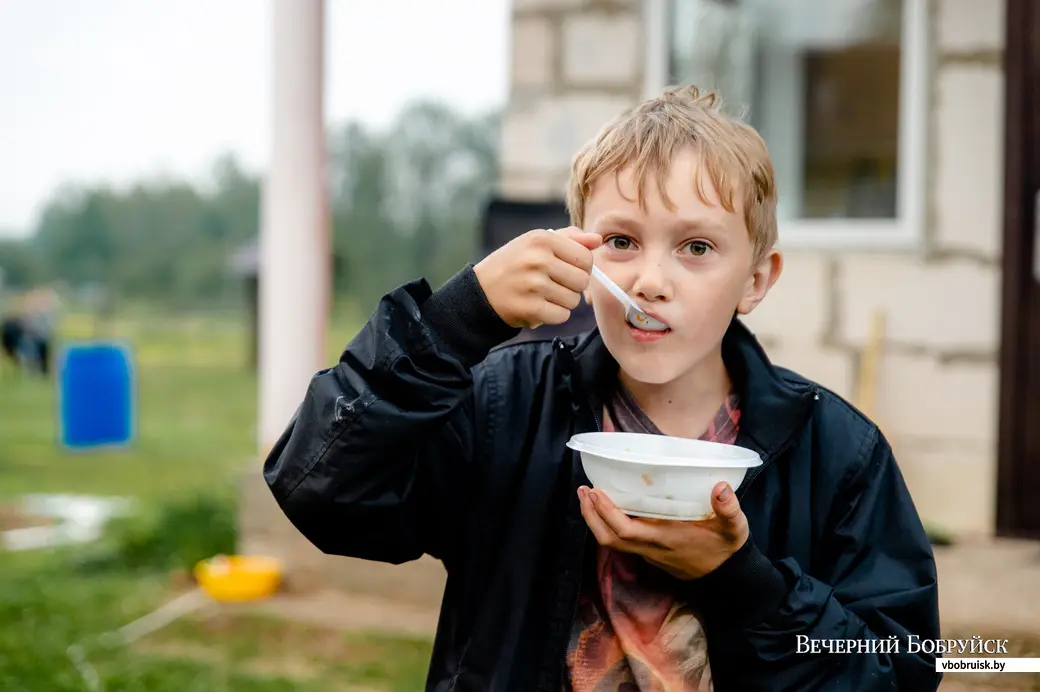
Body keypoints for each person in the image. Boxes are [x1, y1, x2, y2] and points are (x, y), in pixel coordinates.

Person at [263, 85, 941, 691]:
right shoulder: (508, 406)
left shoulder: (834, 451)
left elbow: (901, 671)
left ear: (757, 281)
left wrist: (741, 579)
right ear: (582, 255)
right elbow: (321, 490)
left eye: (696, 248)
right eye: (620, 240)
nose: (649, 279)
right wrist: (455, 319)